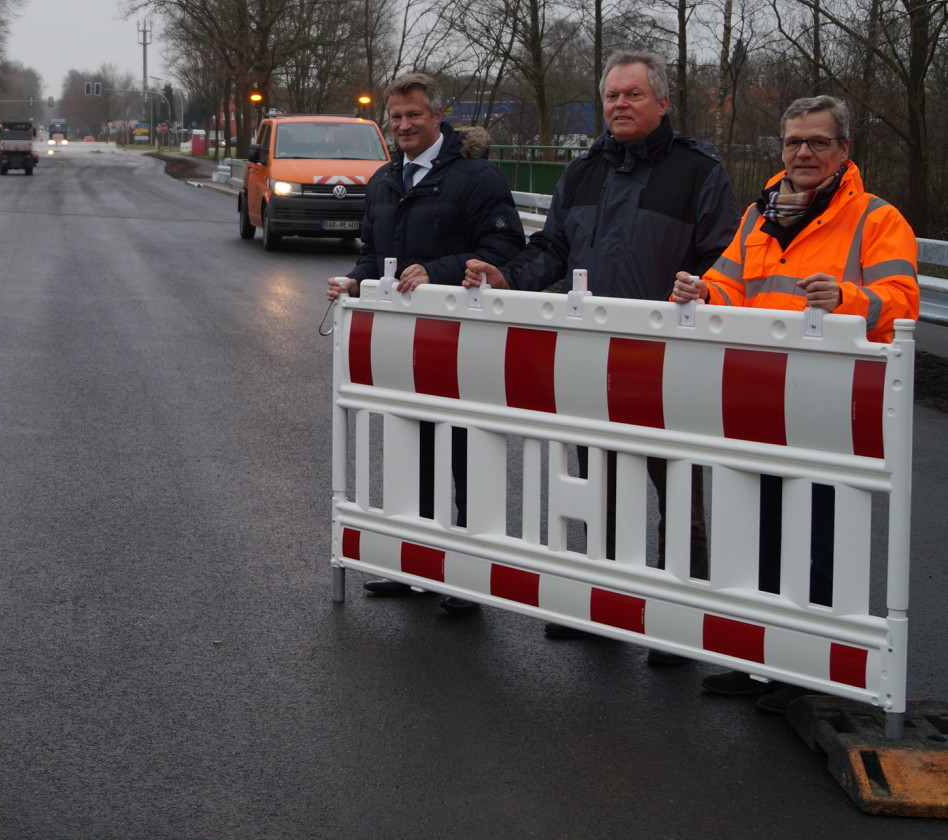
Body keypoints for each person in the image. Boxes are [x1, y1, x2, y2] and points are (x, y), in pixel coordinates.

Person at [463, 49, 738, 662]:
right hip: (595, 357)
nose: (620, 105)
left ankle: (677, 617)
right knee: (602, 485)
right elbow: (552, 249)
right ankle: (607, 605)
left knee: (678, 486)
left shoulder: (698, 172)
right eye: (612, 95)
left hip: (673, 358)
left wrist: (704, 294)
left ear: (662, 103)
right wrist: (506, 279)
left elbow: (726, 257)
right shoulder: (584, 170)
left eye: (633, 95)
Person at [671, 95, 918, 711]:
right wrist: (702, 288)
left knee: (817, 540)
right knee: (757, 534)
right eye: (792, 143)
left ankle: (808, 671)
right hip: (757, 395)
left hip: (832, 404)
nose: (803, 153)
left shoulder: (875, 217)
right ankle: (761, 660)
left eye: (818, 142)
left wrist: (848, 297)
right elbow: (732, 282)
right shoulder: (760, 215)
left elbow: (904, 301)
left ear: (843, 152)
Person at [327, 73, 525, 615]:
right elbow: (375, 254)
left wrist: (437, 271)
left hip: (460, 342)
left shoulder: (477, 177)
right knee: (411, 452)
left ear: (438, 115)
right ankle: (416, 565)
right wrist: (353, 280)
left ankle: (462, 577)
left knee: (462, 455)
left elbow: (505, 246)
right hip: (401, 343)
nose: (404, 125)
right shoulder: (386, 179)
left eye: (414, 115)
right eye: (395, 117)